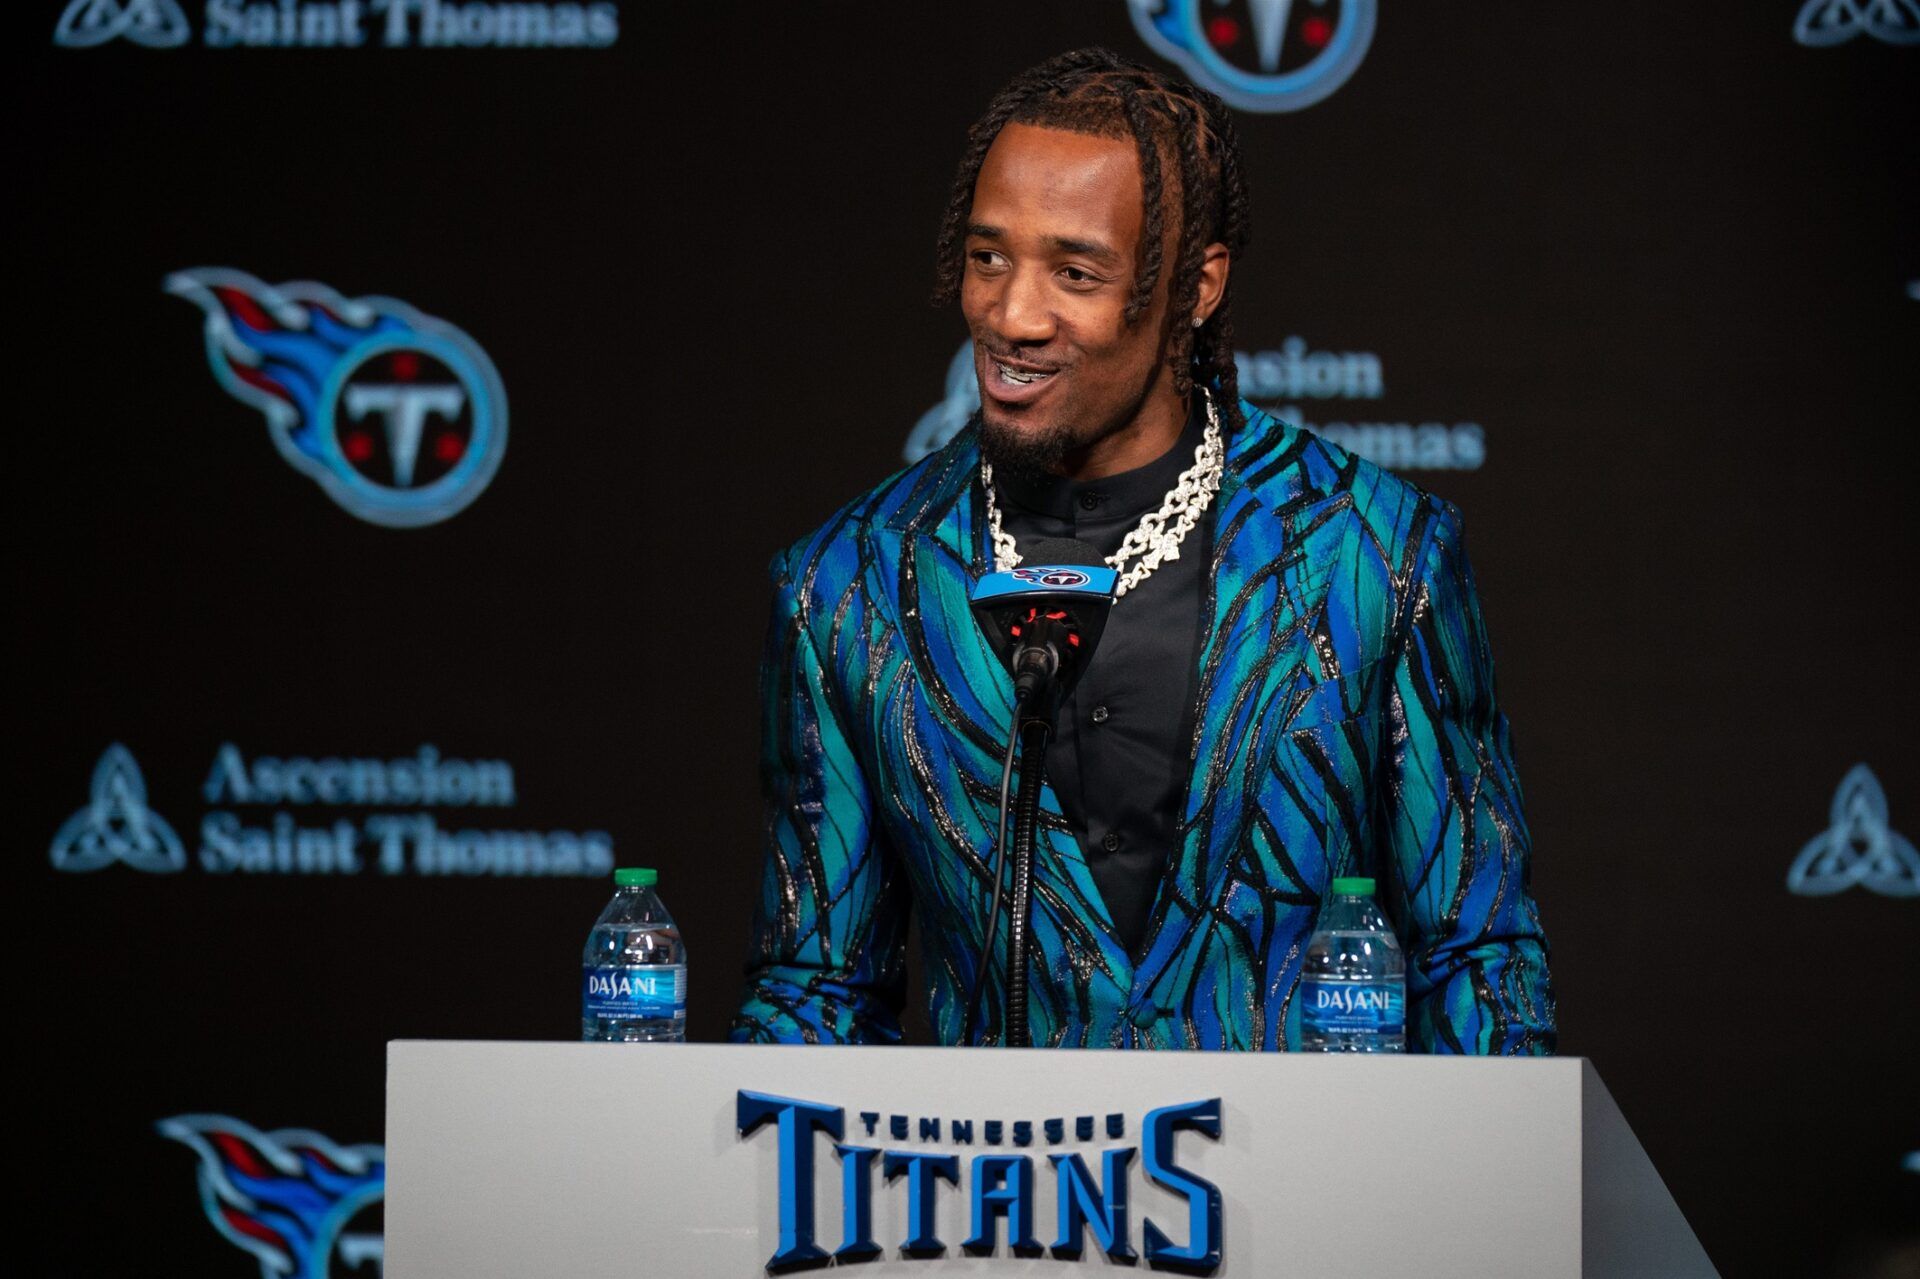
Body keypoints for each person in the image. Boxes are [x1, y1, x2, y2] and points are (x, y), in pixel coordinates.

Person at [731, 48, 1556, 1052]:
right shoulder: (848, 585)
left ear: (1195, 286)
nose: (1009, 313)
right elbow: (816, 986)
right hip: (994, 1199)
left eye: (1073, 272)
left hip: (1314, 1198)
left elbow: (1478, 960)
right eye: (989, 258)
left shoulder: (1369, 552)